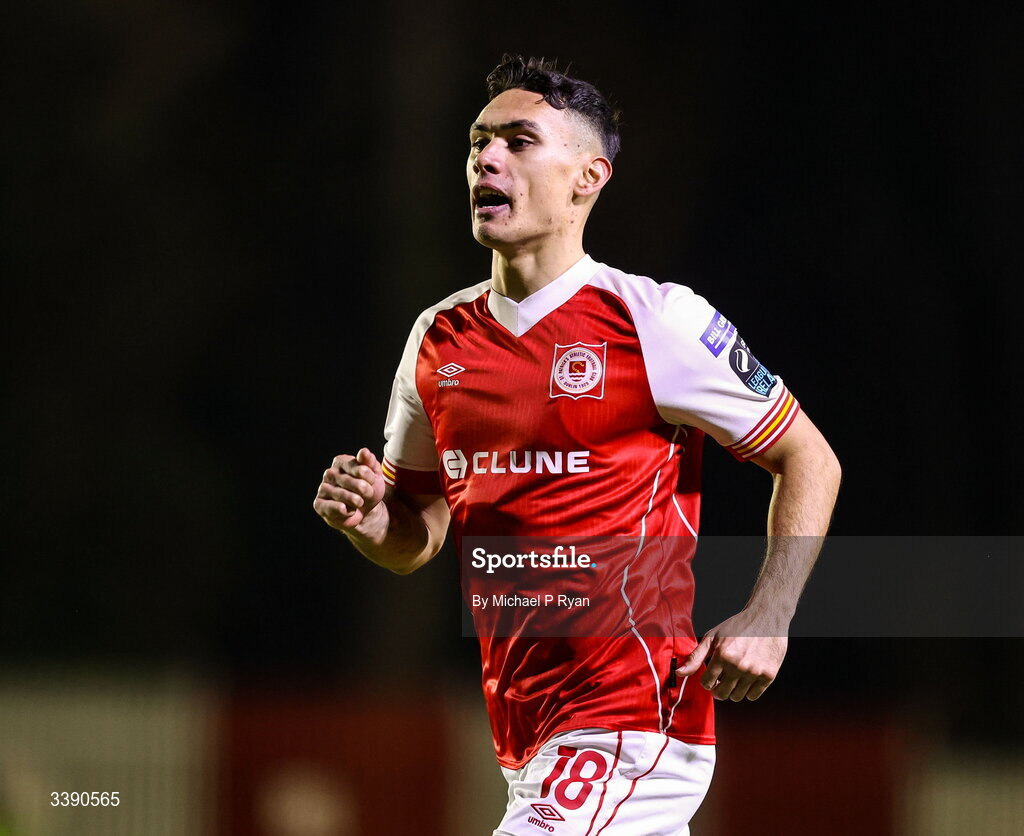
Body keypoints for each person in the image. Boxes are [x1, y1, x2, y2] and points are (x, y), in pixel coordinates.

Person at [314, 54, 841, 835]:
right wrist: (369, 523)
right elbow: (418, 532)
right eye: (477, 143)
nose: (486, 159)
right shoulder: (437, 340)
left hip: (634, 722)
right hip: (527, 736)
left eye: (519, 141)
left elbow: (810, 456)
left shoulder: (657, 320)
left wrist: (771, 612)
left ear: (587, 177)